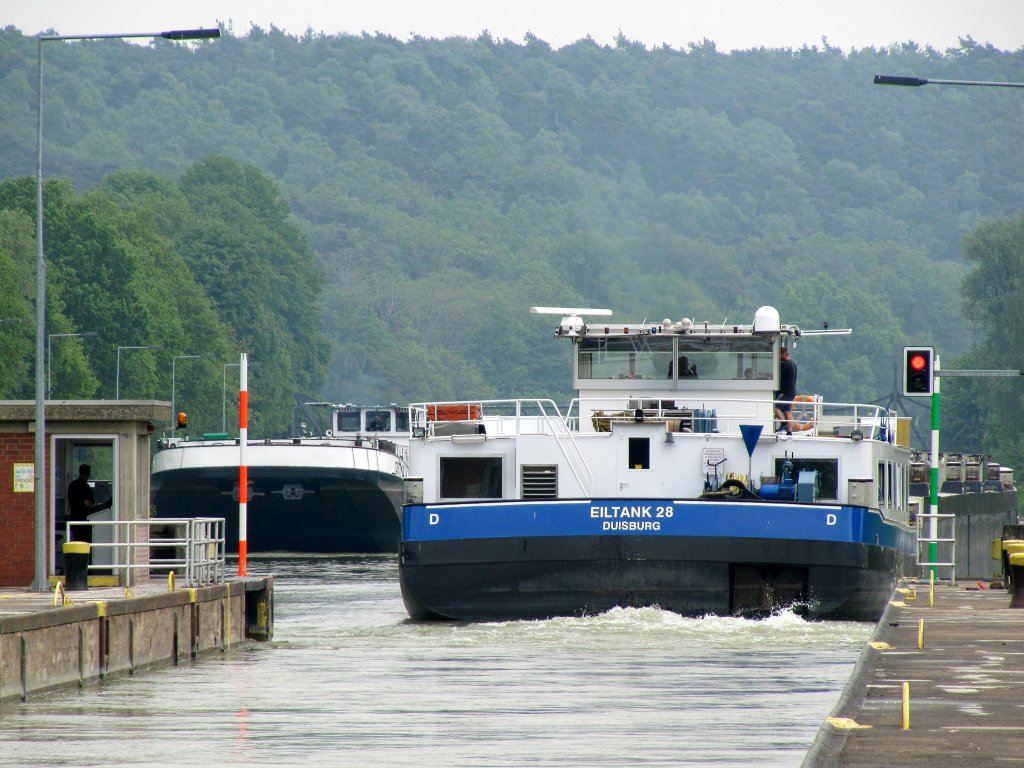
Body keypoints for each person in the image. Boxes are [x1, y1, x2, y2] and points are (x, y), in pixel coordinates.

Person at [66, 464, 109, 543]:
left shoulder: (73, 485)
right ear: (89, 474)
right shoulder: (85, 487)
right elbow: (89, 504)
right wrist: (86, 503)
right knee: (85, 543)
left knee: (77, 543)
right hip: (84, 520)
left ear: (79, 472)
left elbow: (71, 500)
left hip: (76, 519)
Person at [775, 346, 798, 435]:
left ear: (783, 354)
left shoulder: (785, 364)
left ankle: (783, 423)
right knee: (787, 411)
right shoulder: (793, 364)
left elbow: (778, 375)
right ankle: (789, 431)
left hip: (785, 392)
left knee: (775, 407)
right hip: (792, 392)